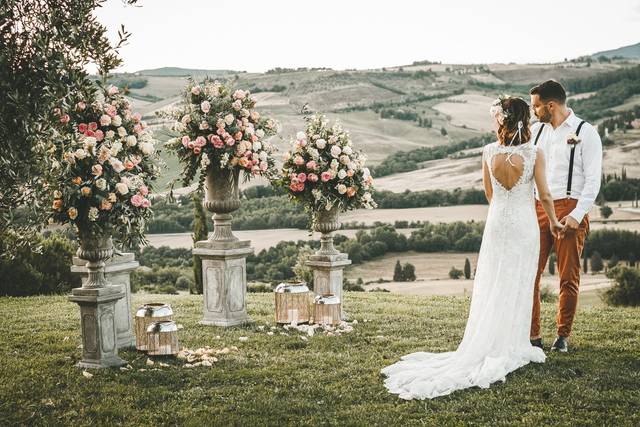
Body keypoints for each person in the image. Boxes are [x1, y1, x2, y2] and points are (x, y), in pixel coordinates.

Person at [381, 96, 563, 400]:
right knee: (519, 281)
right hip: (524, 225)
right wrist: (555, 222)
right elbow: (544, 194)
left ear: (502, 120)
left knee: (494, 281)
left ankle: (491, 340)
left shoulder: (489, 152)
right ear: (524, 121)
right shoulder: (534, 154)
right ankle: (513, 344)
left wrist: (501, 215)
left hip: (497, 225)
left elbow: (490, 194)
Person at [529, 80, 603, 353]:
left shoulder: (586, 132)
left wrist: (577, 214)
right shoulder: (535, 132)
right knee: (530, 274)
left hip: (570, 208)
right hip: (537, 209)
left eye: (536, 107)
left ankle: (562, 335)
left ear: (550, 105)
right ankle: (533, 335)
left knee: (568, 276)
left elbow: (593, 181)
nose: (533, 111)